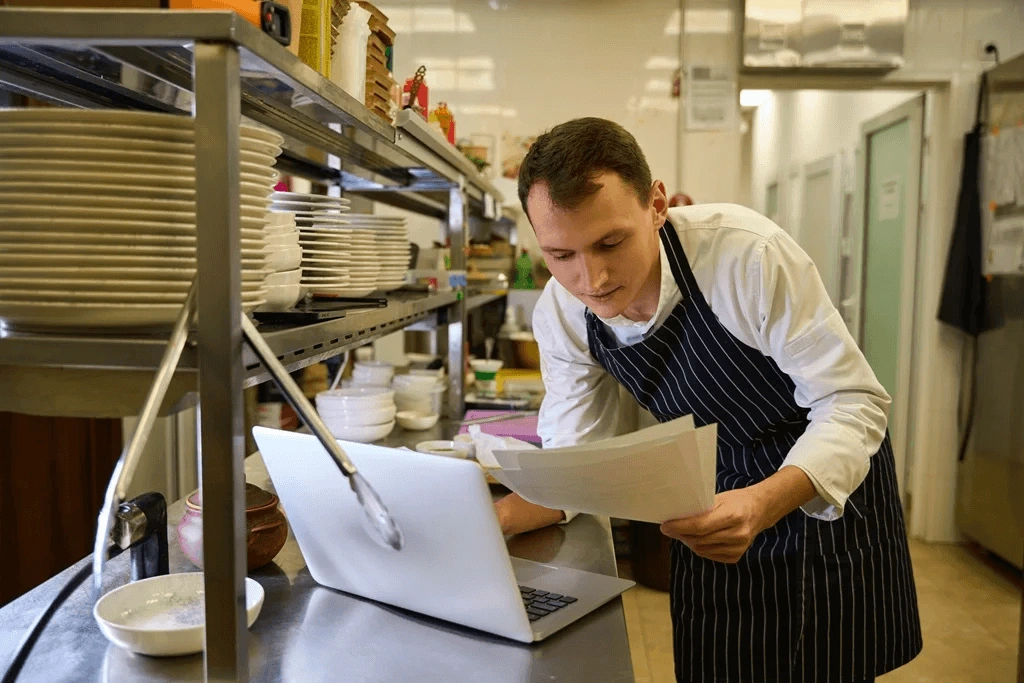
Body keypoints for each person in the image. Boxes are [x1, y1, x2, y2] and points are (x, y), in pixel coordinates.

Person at [494, 117, 922, 683]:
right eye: (560, 255)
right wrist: (481, 519)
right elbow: (578, 453)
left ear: (656, 203)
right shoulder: (563, 312)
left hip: (820, 492)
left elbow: (853, 400)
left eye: (610, 243)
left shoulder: (745, 255)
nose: (590, 277)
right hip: (714, 500)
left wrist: (766, 501)